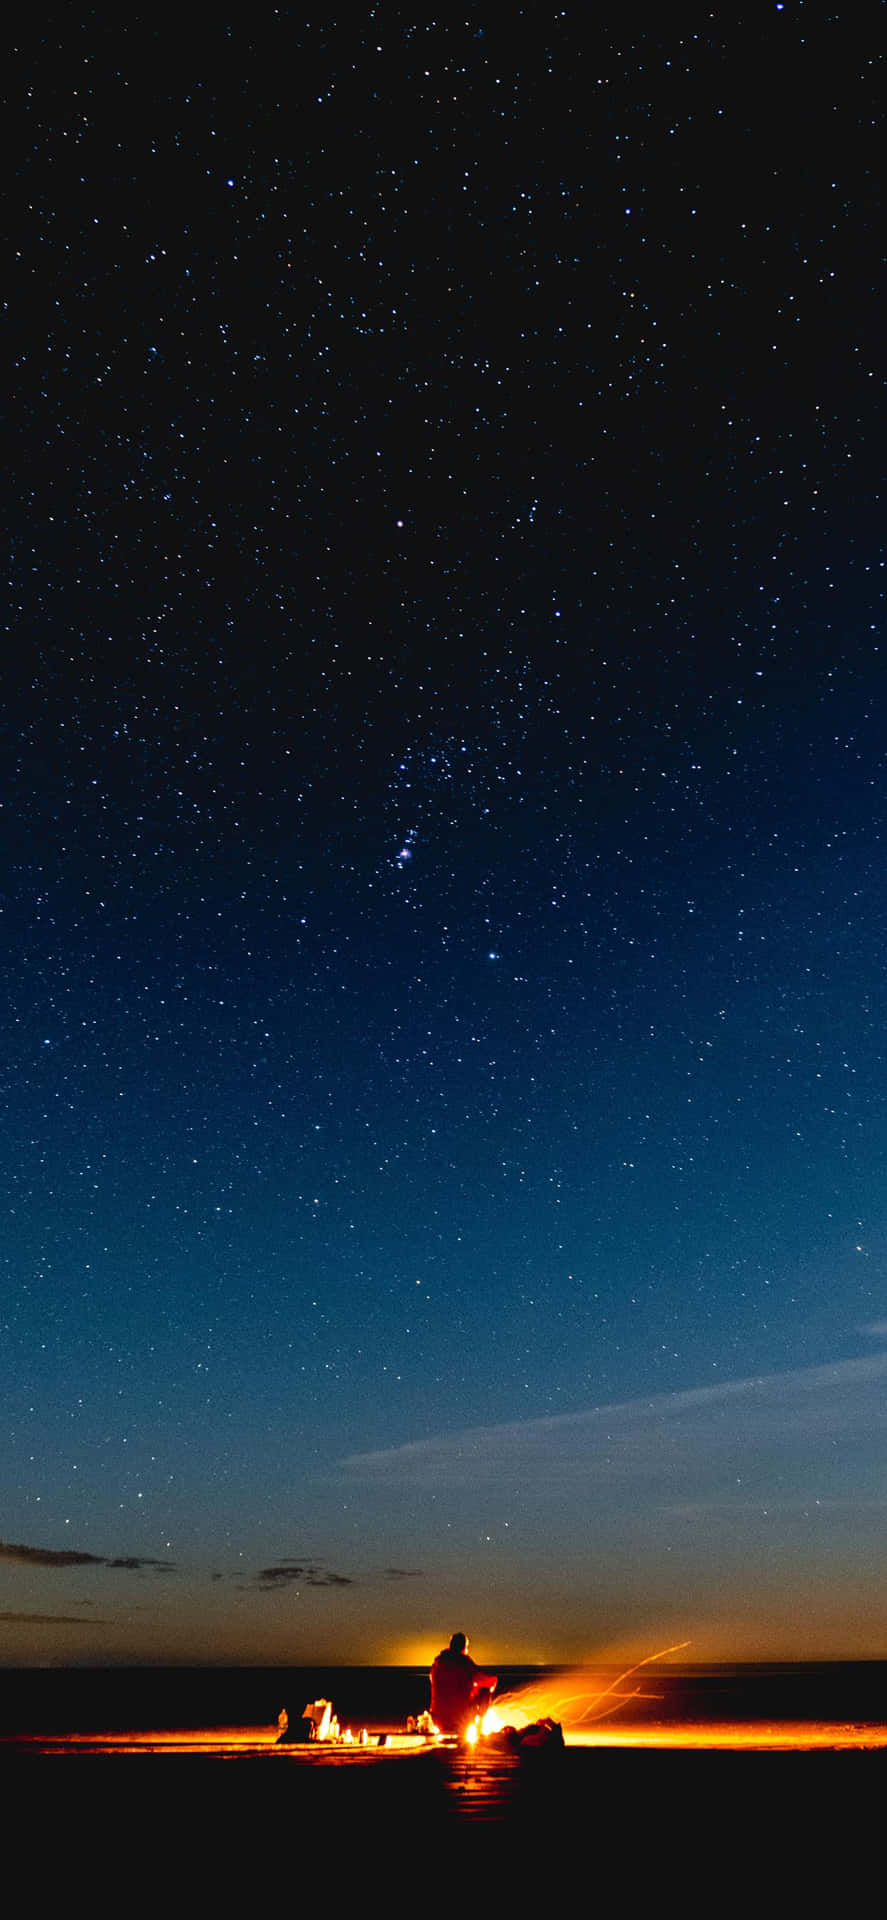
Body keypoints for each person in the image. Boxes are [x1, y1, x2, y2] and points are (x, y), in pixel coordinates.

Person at [429, 1631, 497, 1735]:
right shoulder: (464, 1664)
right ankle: (479, 1727)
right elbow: (487, 1680)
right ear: (464, 1648)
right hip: (460, 1719)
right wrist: (493, 1681)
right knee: (485, 1689)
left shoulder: (437, 1664)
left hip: (437, 1719)